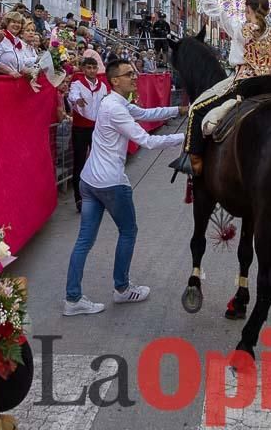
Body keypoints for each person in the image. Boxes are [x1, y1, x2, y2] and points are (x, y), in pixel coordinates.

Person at [64, 59, 187, 316]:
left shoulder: (116, 102)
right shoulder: (114, 108)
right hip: (110, 183)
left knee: (84, 240)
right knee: (128, 231)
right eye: (129, 74)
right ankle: (121, 289)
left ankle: (72, 298)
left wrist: (179, 110)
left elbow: (145, 114)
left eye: (134, 72)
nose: (135, 77)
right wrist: (187, 138)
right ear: (115, 80)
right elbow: (147, 141)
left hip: (90, 181)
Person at [177, 0, 271, 177]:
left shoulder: (240, 30)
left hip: (246, 84)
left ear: (248, 10)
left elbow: (218, 13)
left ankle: (194, 163)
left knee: (196, 109)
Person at [68, 56, 110, 213]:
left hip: (97, 128)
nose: (92, 71)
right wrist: (77, 99)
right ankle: (79, 198)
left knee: (98, 161)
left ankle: (99, 195)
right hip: (80, 127)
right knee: (79, 162)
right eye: (88, 68)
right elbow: (72, 95)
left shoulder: (103, 86)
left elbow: (107, 102)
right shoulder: (77, 83)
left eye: (94, 68)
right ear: (83, 69)